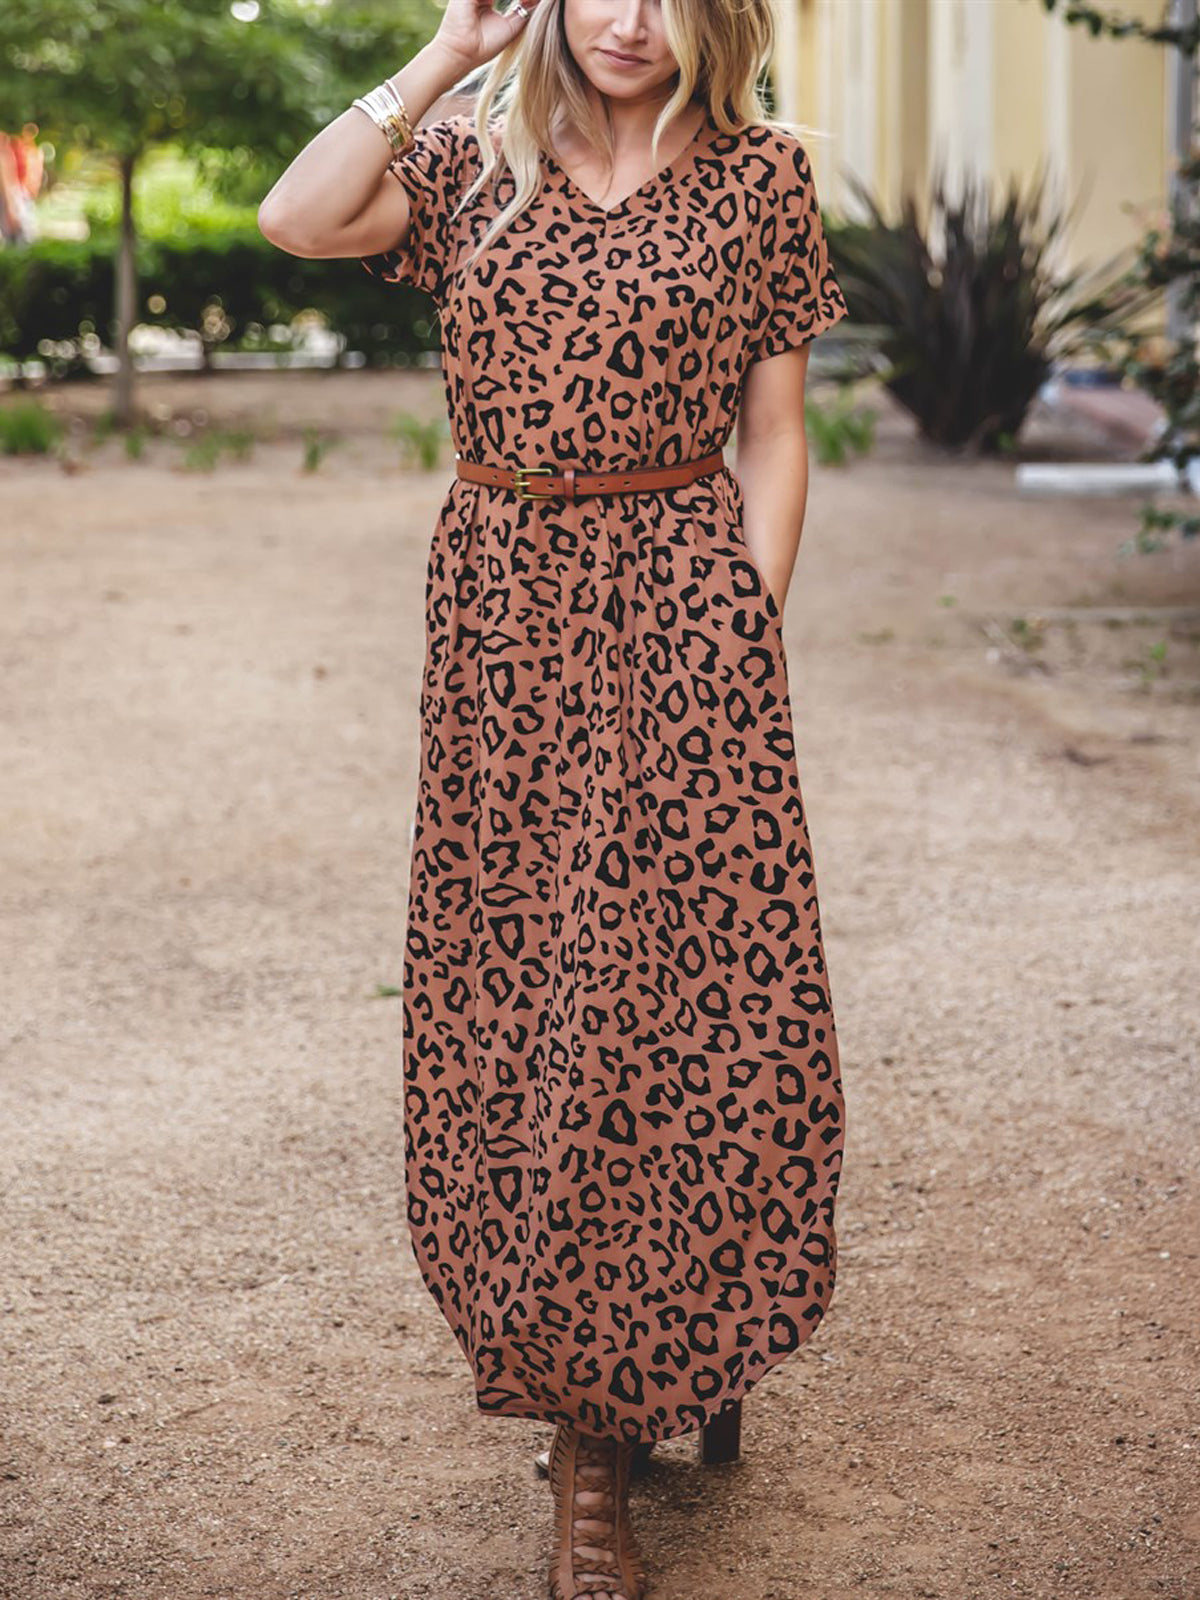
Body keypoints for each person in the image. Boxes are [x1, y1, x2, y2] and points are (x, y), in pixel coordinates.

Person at [258, 1, 849, 1595]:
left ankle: (652, 1381)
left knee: (696, 1001)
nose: (629, 19)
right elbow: (296, 216)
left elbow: (776, 435)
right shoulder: (470, 163)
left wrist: (741, 625)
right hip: (505, 614)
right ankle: (599, 1406)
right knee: (528, 997)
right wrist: (445, 53)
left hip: (685, 608)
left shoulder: (762, 179)